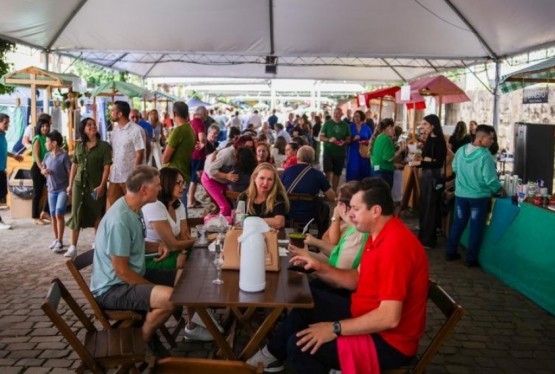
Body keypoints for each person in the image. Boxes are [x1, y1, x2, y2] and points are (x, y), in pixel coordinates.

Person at [247, 177, 429, 372]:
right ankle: (271, 354)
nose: (350, 214)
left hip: (389, 342)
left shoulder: (395, 246)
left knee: (300, 345)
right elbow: (356, 279)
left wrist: (334, 328)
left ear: (375, 211)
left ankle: (275, 355)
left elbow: (389, 318)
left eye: (356, 209)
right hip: (364, 310)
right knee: (307, 301)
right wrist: (318, 266)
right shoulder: (378, 232)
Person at [90, 166, 176, 354]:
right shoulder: (120, 219)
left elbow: (132, 242)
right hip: (112, 289)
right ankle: (142, 340)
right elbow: (121, 271)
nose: (160, 188)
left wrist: (157, 245)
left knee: (181, 279)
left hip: (128, 278)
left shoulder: (130, 207)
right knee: (170, 299)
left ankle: (149, 338)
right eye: (157, 185)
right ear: (144, 190)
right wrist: (149, 288)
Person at [446, 124, 506, 267]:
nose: (492, 142)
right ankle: (471, 259)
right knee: (476, 228)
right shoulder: (485, 155)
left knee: (458, 223)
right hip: (478, 197)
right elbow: (490, 179)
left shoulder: (461, 150)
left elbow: (454, 167)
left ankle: (450, 252)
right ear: (481, 138)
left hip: (461, 195)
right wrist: (500, 189)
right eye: (490, 139)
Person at [289, 180, 366, 271]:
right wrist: (305, 254)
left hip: (334, 279)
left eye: (337, 201)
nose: (336, 205)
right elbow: (331, 249)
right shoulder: (350, 226)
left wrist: (309, 256)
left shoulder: (356, 231)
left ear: (343, 205)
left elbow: (339, 275)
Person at [66, 117, 112, 259]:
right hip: (79, 185)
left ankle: (96, 243)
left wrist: (102, 185)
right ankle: (73, 246)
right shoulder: (79, 146)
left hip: (95, 185)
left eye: (93, 124)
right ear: (84, 129)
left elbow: (106, 167)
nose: (92, 127)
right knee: (76, 213)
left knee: (97, 212)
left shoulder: (104, 146)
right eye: (89, 125)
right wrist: (70, 184)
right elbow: (74, 165)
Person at [410, 114, 447, 249]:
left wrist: (422, 162)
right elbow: (427, 158)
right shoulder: (430, 139)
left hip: (433, 176)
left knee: (430, 207)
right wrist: (423, 161)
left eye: (425, 124)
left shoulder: (438, 141)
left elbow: (437, 162)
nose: (423, 127)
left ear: (433, 125)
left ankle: (428, 239)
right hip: (427, 174)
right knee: (425, 205)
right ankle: (423, 235)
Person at [280, 146, 335, 237]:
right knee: (325, 207)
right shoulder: (318, 175)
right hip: (309, 214)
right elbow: (331, 196)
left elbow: (280, 190)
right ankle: (322, 236)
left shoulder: (287, 171)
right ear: (313, 158)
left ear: (297, 156)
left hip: (288, 212)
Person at [202, 135, 255, 218]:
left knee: (229, 205)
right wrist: (227, 176)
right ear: (239, 145)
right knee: (225, 207)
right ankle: (216, 225)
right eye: (247, 146)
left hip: (221, 180)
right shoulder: (228, 153)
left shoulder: (242, 156)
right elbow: (211, 170)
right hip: (210, 178)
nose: (249, 149)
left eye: (251, 147)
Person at [107, 102, 145, 209]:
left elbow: (140, 154)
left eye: (113, 110)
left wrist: (134, 177)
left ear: (119, 114)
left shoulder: (136, 130)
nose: (111, 113)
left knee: (133, 207)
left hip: (129, 177)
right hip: (115, 176)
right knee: (114, 206)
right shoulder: (115, 130)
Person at [41, 130, 71, 253]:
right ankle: (57, 239)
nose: (45, 144)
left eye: (47, 141)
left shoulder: (64, 156)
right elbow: (42, 169)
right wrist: (44, 172)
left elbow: (70, 173)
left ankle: (60, 239)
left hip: (62, 190)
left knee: (59, 213)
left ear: (54, 143)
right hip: (51, 190)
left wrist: (70, 187)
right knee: (53, 215)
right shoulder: (47, 156)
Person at [161, 101, 195, 210]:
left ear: (174, 114)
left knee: (175, 208)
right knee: (180, 207)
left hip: (174, 175)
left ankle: (182, 227)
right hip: (184, 172)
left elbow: (165, 159)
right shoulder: (190, 130)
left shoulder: (178, 131)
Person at [238, 163, 289, 229]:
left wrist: (252, 221)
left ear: (274, 182)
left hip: (270, 236)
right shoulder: (244, 196)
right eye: (262, 178)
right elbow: (238, 221)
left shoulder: (277, 197)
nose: (265, 183)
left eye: (270, 179)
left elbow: (280, 222)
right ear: (254, 178)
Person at [0, 113, 24, 229]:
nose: (7, 125)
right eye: (5, 123)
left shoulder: (2, 135)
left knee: (1, 196)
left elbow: (3, 150)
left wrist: (13, 155)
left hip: (1, 170)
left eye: (8, 123)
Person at [319, 107, 351, 192]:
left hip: (340, 153)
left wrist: (344, 141)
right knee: (327, 172)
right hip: (328, 152)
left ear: (341, 114)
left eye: (338, 113)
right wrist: (328, 140)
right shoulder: (327, 124)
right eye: (335, 113)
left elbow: (348, 138)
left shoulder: (345, 125)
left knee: (337, 173)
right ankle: (327, 191)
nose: (336, 115)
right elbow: (321, 137)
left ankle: (333, 191)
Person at [370, 118, 406, 189]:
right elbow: (388, 158)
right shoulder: (386, 139)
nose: (394, 132)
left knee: (377, 195)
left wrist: (394, 165)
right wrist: (400, 150)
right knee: (384, 196)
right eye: (393, 128)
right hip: (383, 173)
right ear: (389, 127)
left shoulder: (379, 137)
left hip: (376, 170)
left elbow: (380, 157)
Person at [31, 116, 53, 225]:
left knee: (50, 190)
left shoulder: (48, 138)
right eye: (43, 126)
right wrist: (41, 169)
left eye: (47, 126)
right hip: (37, 168)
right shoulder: (37, 138)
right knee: (37, 193)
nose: (45, 128)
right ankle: (35, 217)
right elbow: (37, 157)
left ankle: (45, 212)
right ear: (39, 127)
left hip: (45, 168)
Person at [188, 106, 208, 209]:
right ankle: (190, 200)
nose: (206, 116)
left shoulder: (190, 122)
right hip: (198, 155)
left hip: (190, 154)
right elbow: (202, 138)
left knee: (194, 177)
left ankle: (192, 198)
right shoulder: (199, 123)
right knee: (195, 178)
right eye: (206, 114)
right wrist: (203, 143)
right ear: (202, 114)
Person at [346, 110, 372, 181]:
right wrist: (353, 139)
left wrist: (365, 141)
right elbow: (346, 139)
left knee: (364, 171)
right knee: (353, 171)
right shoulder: (350, 127)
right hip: (353, 152)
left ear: (362, 117)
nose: (356, 118)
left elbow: (371, 140)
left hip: (364, 153)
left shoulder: (367, 128)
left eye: (358, 116)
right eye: (355, 116)